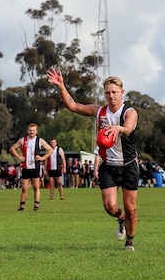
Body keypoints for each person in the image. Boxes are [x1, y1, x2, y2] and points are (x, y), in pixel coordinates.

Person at [48, 70, 139, 250]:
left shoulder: (129, 112)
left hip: (128, 165)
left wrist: (118, 129)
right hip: (108, 166)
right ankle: (121, 219)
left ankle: (129, 242)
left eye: (114, 92)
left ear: (122, 92)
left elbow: (128, 128)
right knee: (110, 207)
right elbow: (73, 106)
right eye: (107, 92)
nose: (111, 96)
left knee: (131, 209)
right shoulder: (99, 112)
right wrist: (61, 87)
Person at [9, 123, 54, 212]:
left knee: (36, 187)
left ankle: (36, 205)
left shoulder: (40, 141)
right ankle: (22, 206)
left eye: (33, 130)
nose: (31, 132)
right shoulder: (23, 140)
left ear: (36, 131)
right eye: (30, 130)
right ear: (27, 131)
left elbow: (50, 150)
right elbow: (12, 148)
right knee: (24, 188)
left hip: (35, 167)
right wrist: (19, 157)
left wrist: (42, 158)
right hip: (26, 167)